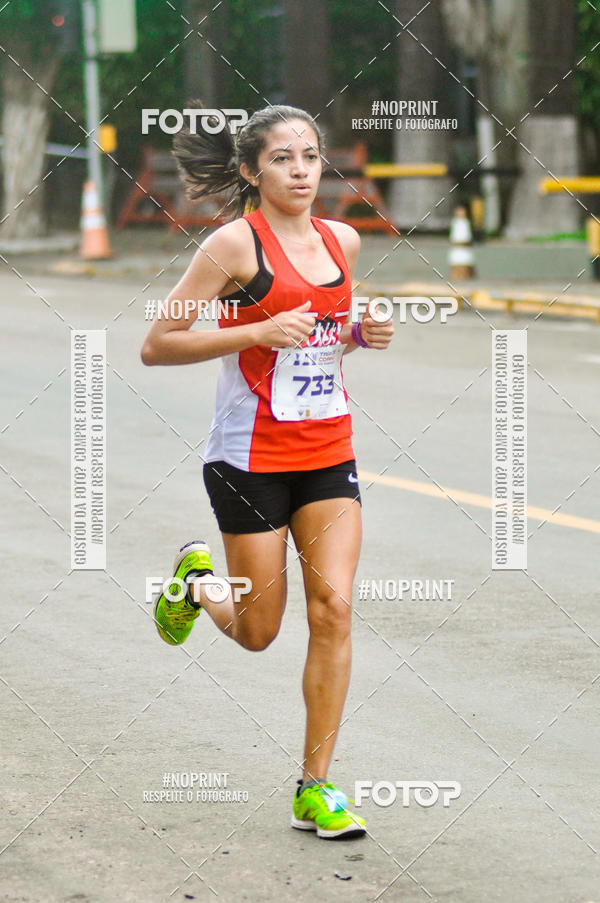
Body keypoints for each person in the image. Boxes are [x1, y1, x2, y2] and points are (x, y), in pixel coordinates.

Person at [140, 104, 393, 839]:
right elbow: (158, 344)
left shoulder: (341, 239)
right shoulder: (231, 247)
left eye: (312, 155)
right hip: (247, 459)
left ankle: (316, 787)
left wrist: (359, 333)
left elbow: (321, 338)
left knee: (335, 610)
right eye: (284, 158)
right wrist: (251, 328)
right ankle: (195, 582)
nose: (302, 170)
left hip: (327, 453)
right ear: (252, 171)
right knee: (258, 631)